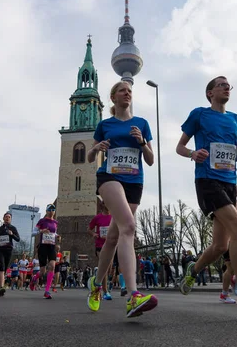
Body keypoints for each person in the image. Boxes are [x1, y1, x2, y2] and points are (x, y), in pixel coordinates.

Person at [176, 75, 237, 322]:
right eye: (220, 84)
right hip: (207, 181)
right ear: (210, 93)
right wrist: (193, 153)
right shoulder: (199, 114)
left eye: (228, 85)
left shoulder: (235, 119)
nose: (226, 87)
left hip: (230, 184)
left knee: (221, 246)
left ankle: (193, 270)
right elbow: (179, 147)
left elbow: (234, 158)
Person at [85, 80, 158, 318]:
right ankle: (134, 295)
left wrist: (140, 142)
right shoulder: (105, 124)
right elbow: (88, 156)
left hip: (134, 182)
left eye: (130, 91)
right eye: (122, 91)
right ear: (113, 97)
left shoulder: (142, 124)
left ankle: (96, 285)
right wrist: (98, 149)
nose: (127, 93)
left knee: (114, 237)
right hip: (110, 177)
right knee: (129, 226)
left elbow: (150, 159)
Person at [29, 204, 58, 299]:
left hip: (52, 246)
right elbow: (33, 233)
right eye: (49, 209)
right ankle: (34, 278)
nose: (51, 211)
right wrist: (41, 231)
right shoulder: (42, 221)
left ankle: (47, 291)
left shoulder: (55, 222)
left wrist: (57, 236)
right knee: (42, 271)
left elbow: (53, 233)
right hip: (43, 246)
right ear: (46, 211)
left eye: (53, 209)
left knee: (52, 266)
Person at [88, 199, 113, 299]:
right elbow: (89, 229)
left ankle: (98, 274)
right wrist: (94, 234)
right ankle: (105, 292)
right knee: (105, 267)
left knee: (109, 268)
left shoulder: (114, 217)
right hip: (100, 245)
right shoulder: (97, 217)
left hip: (110, 245)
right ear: (102, 205)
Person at [0, 211, 20, 297]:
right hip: (0, 249)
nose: (7, 218)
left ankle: (1, 283)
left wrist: (12, 234)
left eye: (9, 217)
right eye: (6, 217)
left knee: (5, 269)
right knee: (1, 268)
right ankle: (1, 287)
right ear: (3, 218)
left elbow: (18, 239)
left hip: (9, 250)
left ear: (11, 219)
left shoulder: (13, 228)